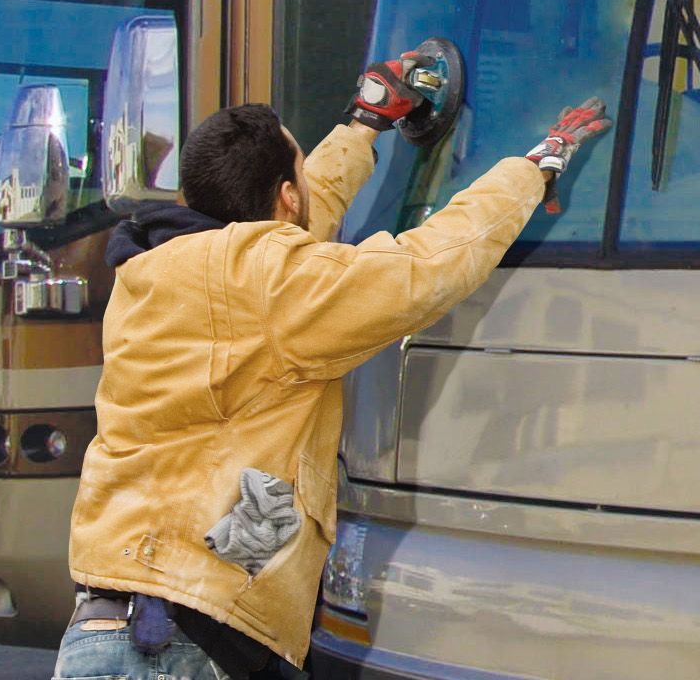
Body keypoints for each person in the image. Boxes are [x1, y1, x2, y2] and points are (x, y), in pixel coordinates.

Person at [53, 51, 611, 680]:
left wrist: (364, 125)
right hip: (180, 645)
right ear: (286, 198)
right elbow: (419, 269)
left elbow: (289, 227)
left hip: (115, 624)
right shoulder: (270, 287)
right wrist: (533, 168)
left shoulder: (158, 271)